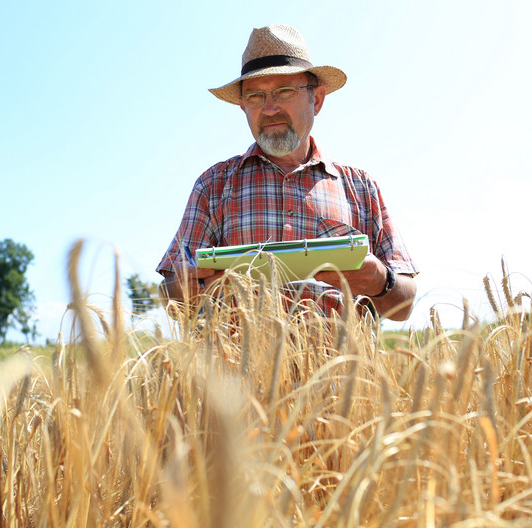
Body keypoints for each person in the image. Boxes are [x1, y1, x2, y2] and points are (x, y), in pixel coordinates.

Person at [156, 24, 418, 321]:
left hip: (343, 367)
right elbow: (170, 297)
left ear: (316, 99)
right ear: (243, 107)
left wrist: (381, 282)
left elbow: (404, 305)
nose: (269, 109)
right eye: (255, 96)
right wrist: (188, 286)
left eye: (284, 91)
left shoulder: (361, 187)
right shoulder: (213, 185)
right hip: (237, 367)